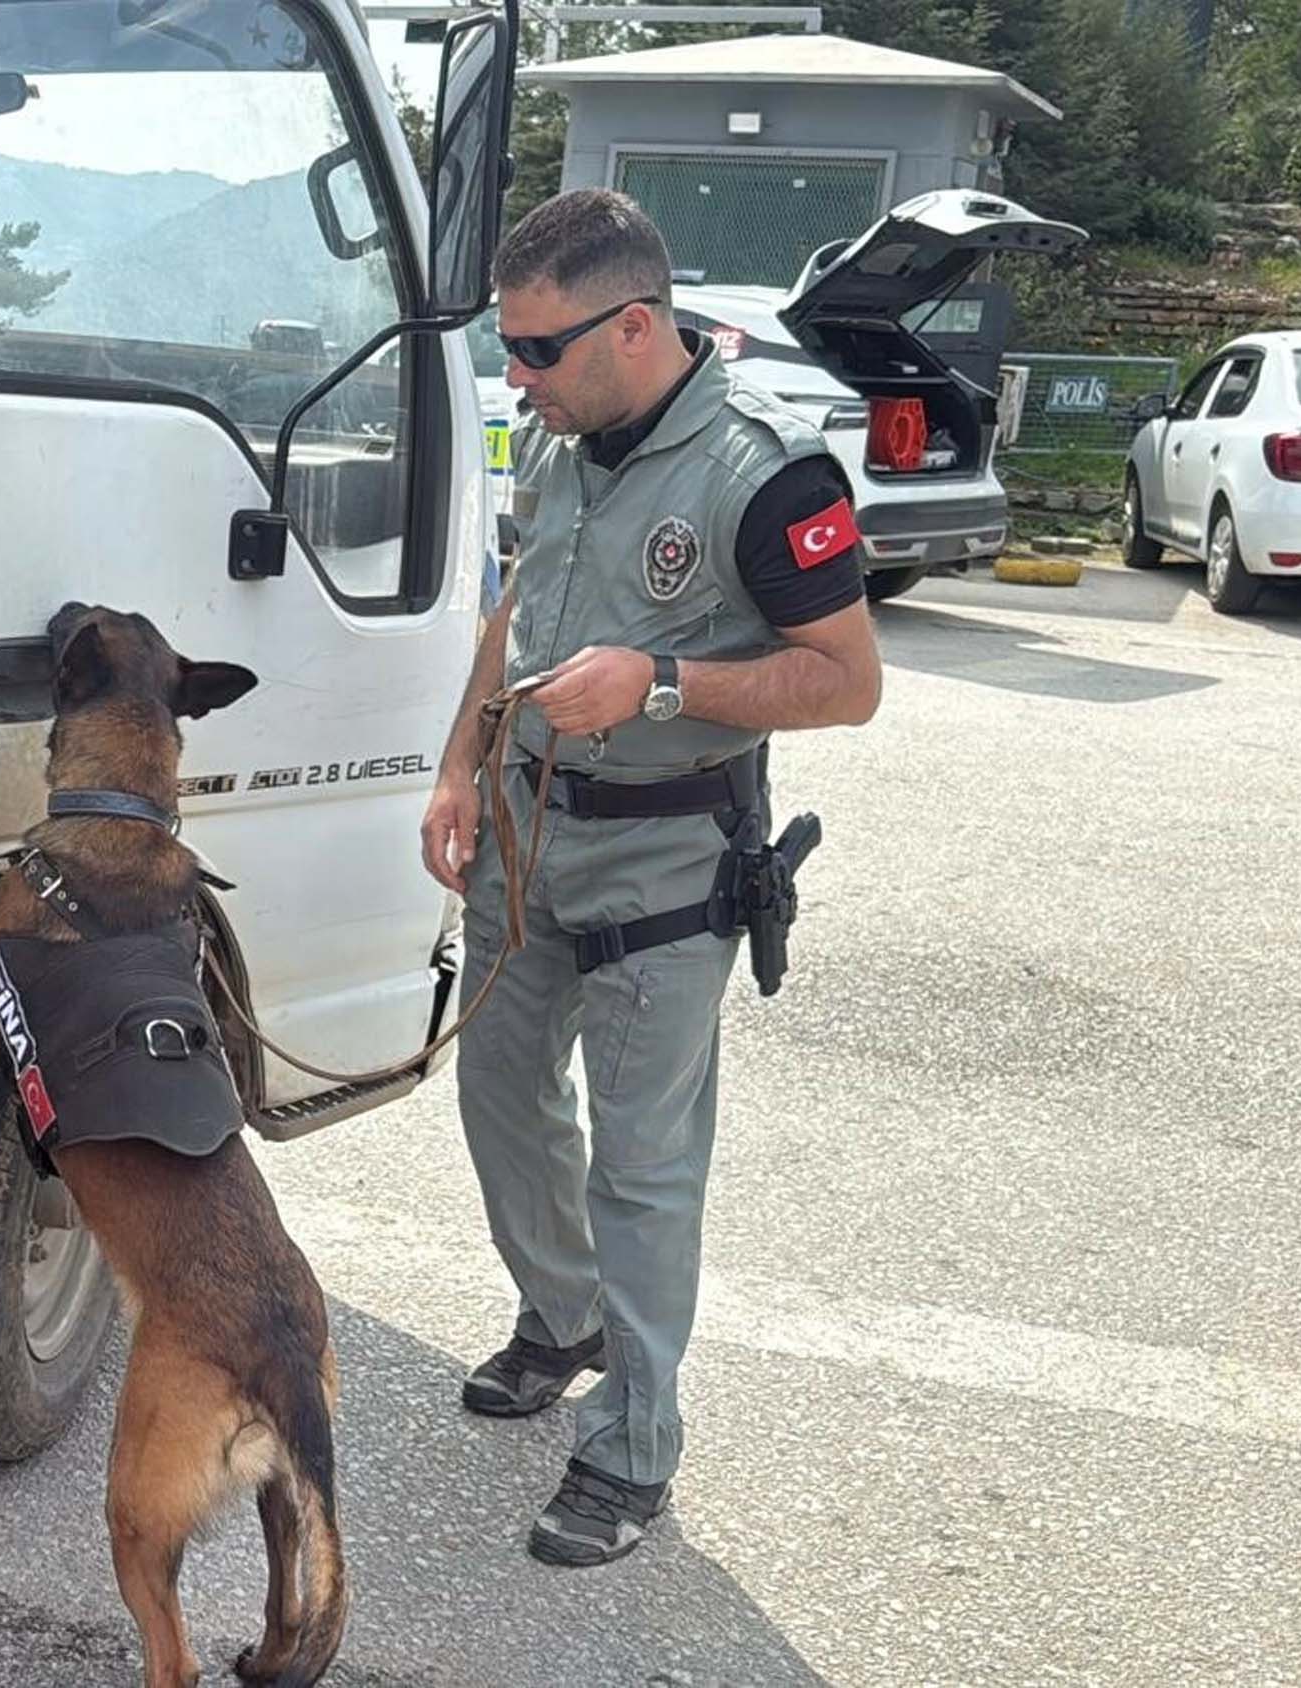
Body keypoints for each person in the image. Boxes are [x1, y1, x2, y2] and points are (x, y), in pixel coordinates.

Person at [418, 189, 884, 1568]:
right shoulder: (564, 441)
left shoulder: (763, 473)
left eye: (539, 350)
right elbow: (516, 606)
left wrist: (664, 682)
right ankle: (560, 1320)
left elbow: (848, 684)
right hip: (524, 832)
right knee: (501, 1098)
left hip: (666, 864)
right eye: (510, 348)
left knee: (643, 1167)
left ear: (634, 327)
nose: (520, 377)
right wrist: (457, 766)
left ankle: (630, 1449)